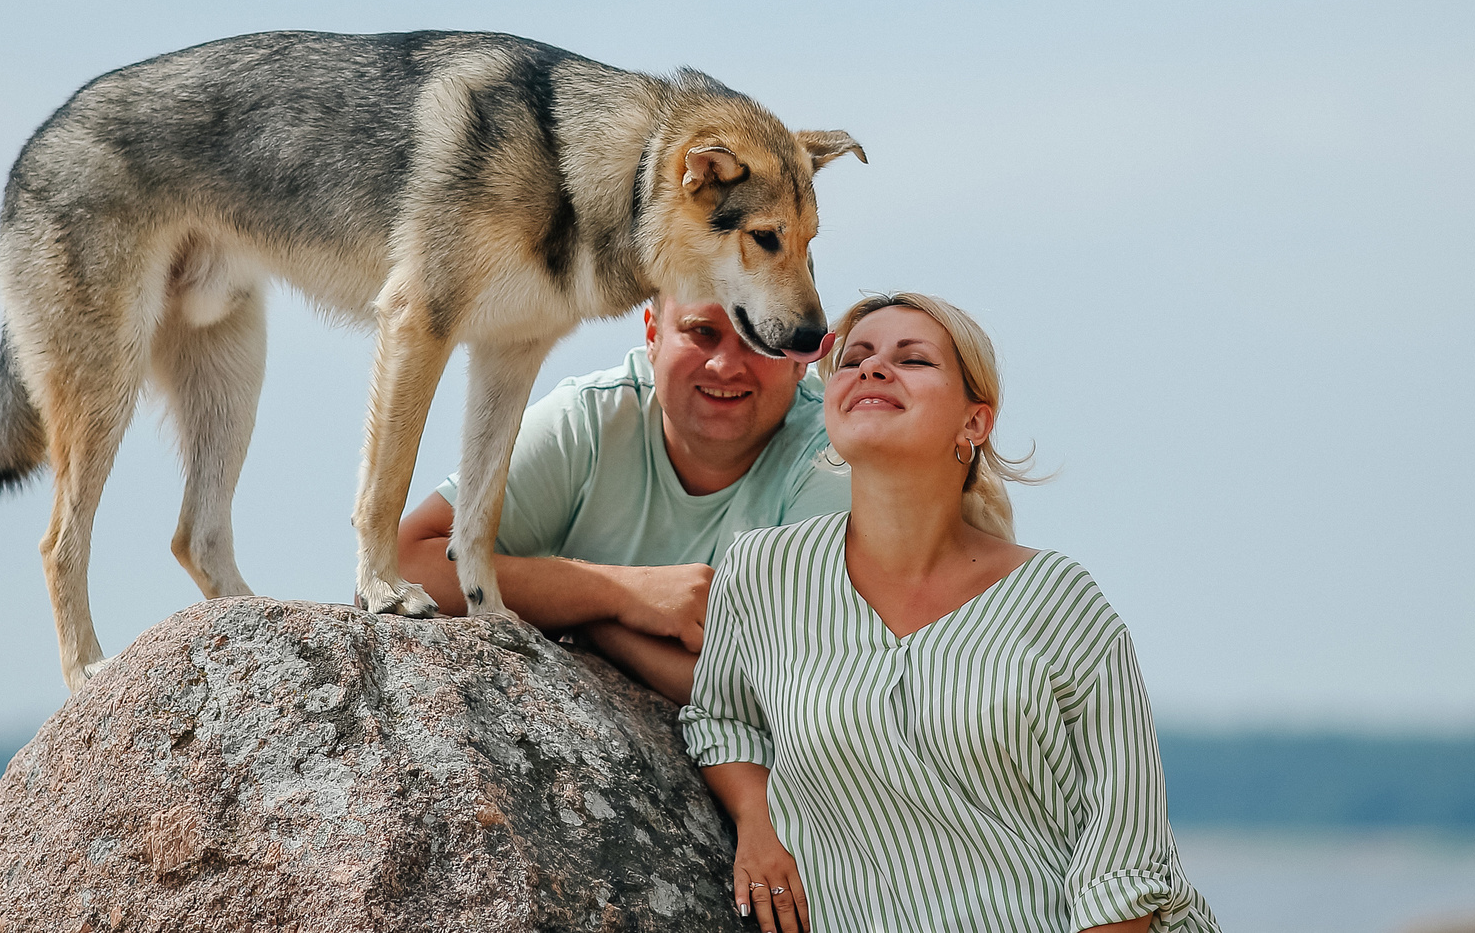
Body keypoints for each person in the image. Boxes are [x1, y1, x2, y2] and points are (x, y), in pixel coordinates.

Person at [679, 292, 1217, 933]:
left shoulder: (1060, 600)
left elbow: (1125, 853)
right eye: (855, 358)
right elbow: (722, 718)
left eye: (913, 359)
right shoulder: (764, 573)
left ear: (975, 423)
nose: (873, 370)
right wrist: (756, 821)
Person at [396, 294, 852, 702]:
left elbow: (783, 694)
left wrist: (597, 623)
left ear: (802, 356)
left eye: (760, 337)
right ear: (652, 332)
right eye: (703, 332)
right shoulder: (589, 421)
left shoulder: (834, 459)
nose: (726, 366)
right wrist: (618, 592)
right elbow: (401, 569)